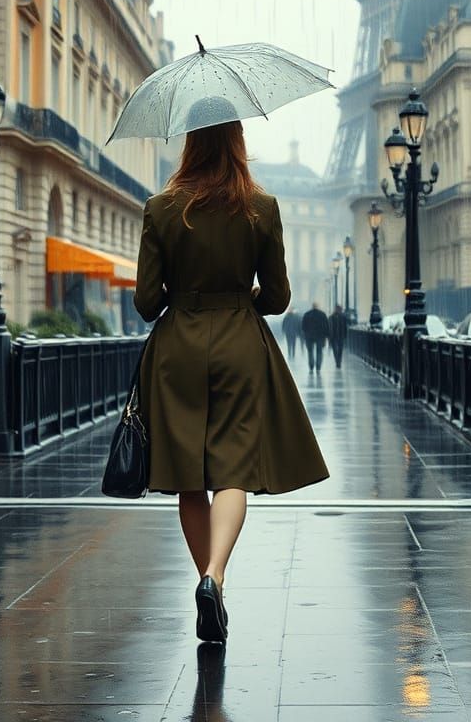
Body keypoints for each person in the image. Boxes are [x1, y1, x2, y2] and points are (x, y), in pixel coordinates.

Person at [134, 105, 329, 645]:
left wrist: (184, 295)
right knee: (233, 471)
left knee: (188, 476)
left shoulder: (161, 209)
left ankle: (207, 579)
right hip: (241, 344)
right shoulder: (260, 208)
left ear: (191, 143)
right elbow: (280, 297)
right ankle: (215, 578)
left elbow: (146, 302)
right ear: (237, 141)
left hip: (178, 349)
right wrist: (243, 300)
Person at [300, 302, 330, 373]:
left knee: (310, 351)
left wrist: (305, 334)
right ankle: (318, 367)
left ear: (312, 306)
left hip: (309, 336)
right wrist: (327, 336)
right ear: (317, 306)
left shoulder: (307, 314)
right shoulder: (322, 314)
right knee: (319, 351)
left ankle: (311, 366)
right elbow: (326, 326)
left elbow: (303, 326)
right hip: (320, 336)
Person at [329, 304, 348, 368]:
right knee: (335, 350)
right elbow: (329, 327)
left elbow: (345, 327)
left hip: (340, 336)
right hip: (334, 336)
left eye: (339, 309)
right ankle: (337, 361)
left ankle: (338, 361)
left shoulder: (343, 317)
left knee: (340, 350)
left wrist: (345, 335)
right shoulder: (331, 317)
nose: (338, 310)